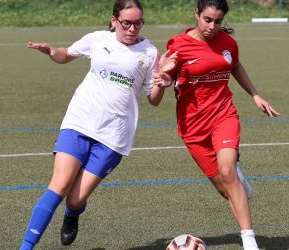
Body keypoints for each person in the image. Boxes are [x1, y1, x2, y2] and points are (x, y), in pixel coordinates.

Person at [19, 1, 176, 249]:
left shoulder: (149, 53)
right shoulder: (97, 39)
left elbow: (153, 100)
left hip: (114, 136)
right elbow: (66, 55)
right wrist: (52, 52)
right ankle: (26, 246)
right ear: (114, 20)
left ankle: (72, 215)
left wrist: (163, 82)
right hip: (79, 122)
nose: (132, 28)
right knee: (59, 185)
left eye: (138, 23)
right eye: (127, 23)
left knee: (74, 200)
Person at [154, 0, 279, 249]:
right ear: (197, 15)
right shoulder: (178, 44)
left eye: (218, 21)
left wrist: (255, 94)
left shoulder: (228, 43)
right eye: (207, 20)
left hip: (224, 116)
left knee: (227, 172)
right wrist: (165, 78)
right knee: (226, 190)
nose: (212, 26)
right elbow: (169, 75)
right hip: (192, 127)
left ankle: (249, 241)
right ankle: (237, 180)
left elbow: (235, 66)